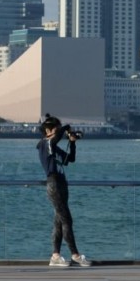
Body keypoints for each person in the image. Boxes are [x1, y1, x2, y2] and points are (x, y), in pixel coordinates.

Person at [37, 114, 91, 268]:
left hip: (62, 184)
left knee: (59, 221)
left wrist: (72, 143)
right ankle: (75, 255)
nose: (58, 132)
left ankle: (55, 256)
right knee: (67, 219)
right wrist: (65, 128)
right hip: (53, 183)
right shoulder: (44, 144)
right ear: (48, 131)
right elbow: (54, 139)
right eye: (56, 129)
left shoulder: (53, 147)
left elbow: (70, 159)